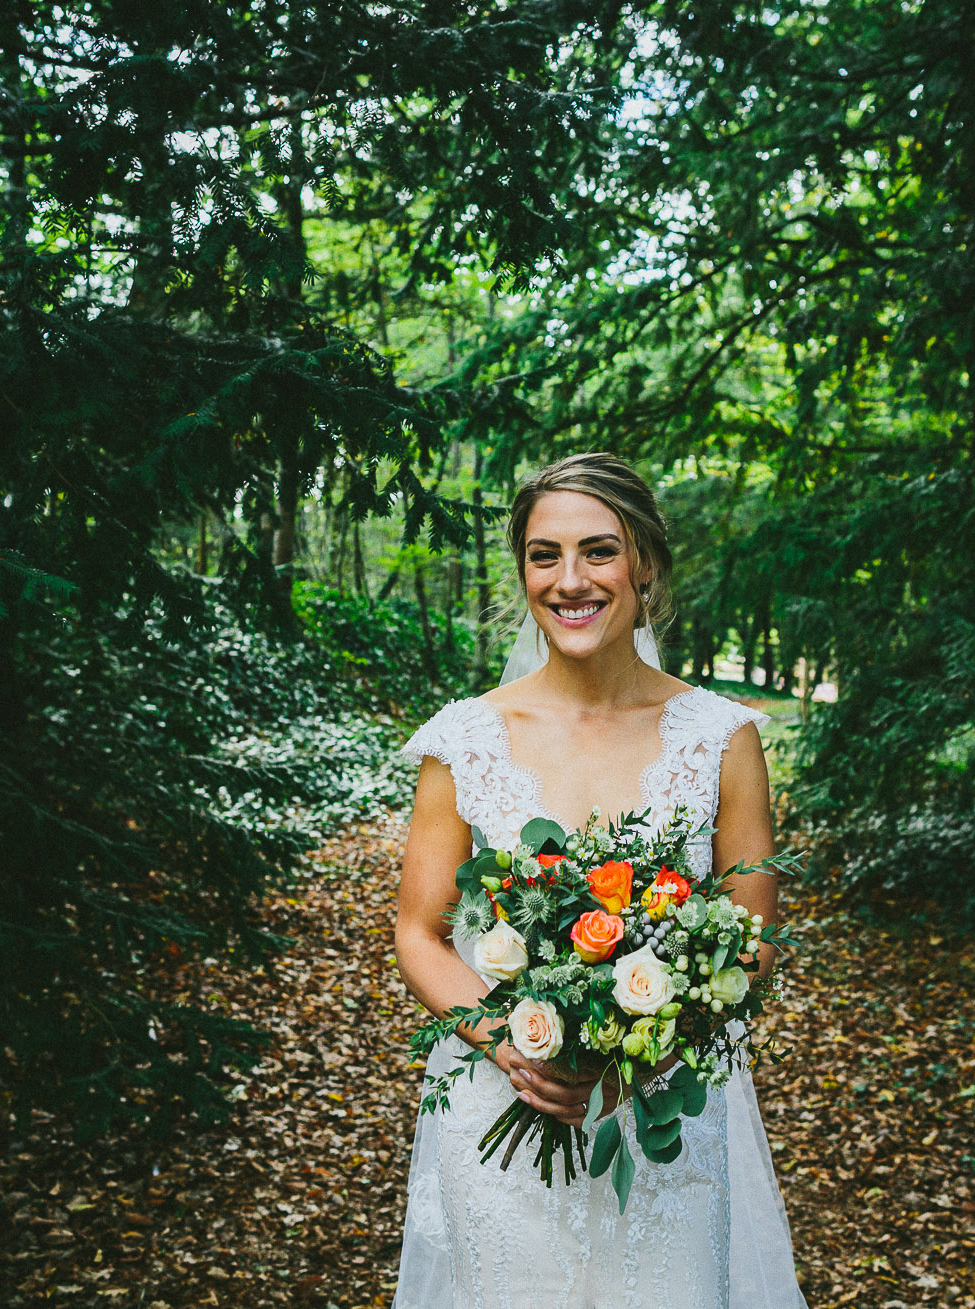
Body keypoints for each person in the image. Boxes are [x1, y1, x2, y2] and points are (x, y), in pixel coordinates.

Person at [392, 452, 808, 1308]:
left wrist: (640, 1058)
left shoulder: (720, 738)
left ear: (644, 563)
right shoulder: (465, 740)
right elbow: (419, 930)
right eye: (544, 555)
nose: (570, 580)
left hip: (664, 1118)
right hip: (500, 1111)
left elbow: (753, 938)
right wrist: (512, 1042)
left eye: (599, 550)